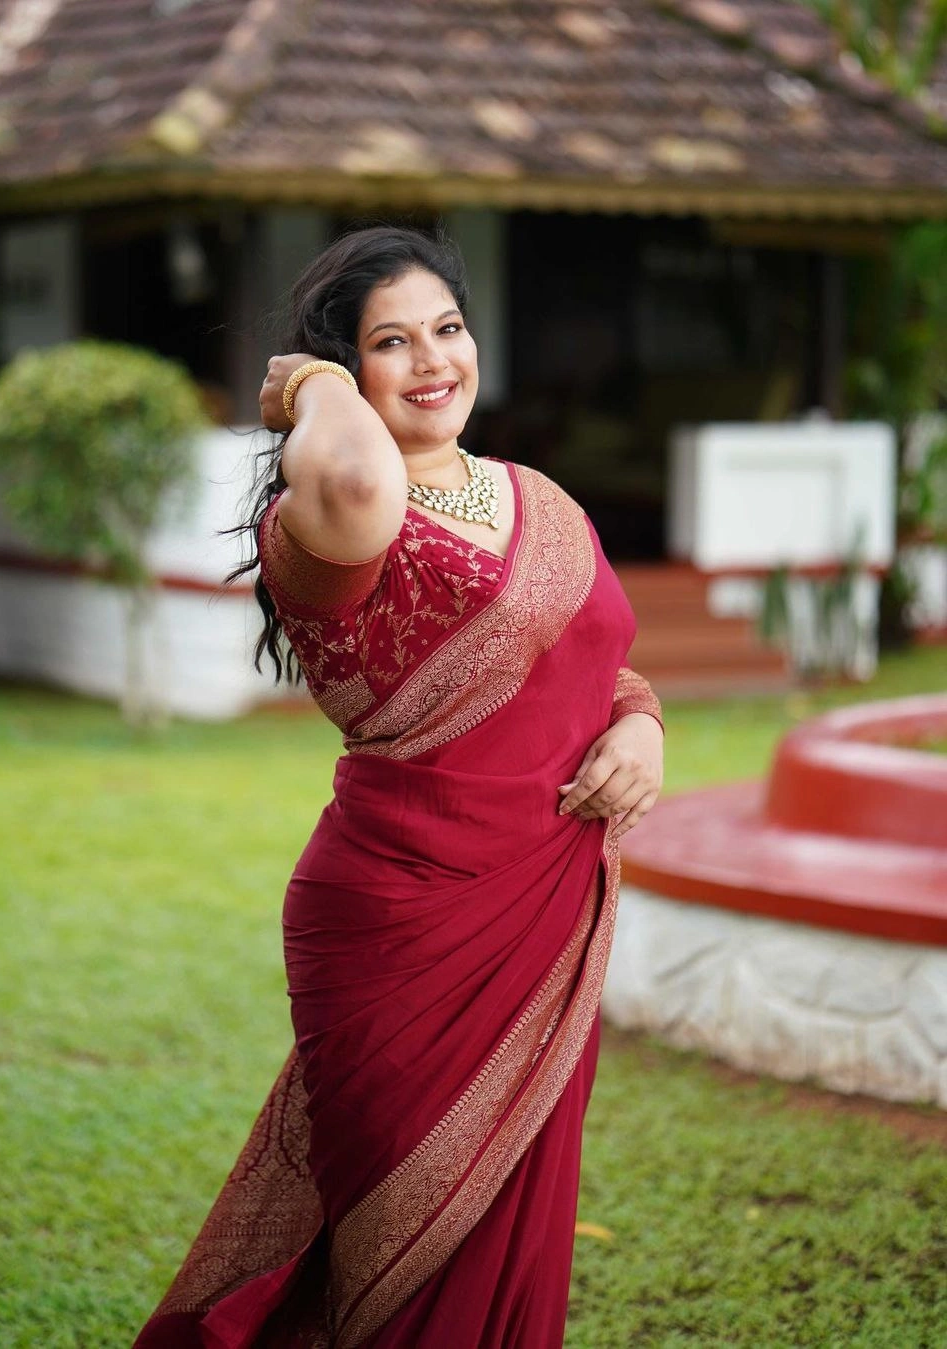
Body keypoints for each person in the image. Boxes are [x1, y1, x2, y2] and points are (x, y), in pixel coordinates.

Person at [134, 225, 664, 1348]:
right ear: (348, 370)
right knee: (396, 1257)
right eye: (390, 342)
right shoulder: (332, 517)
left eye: (449, 328)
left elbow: (601, 656)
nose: (434, 361)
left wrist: (642, 723)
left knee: (505, 1248)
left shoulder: (536, 498)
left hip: (542, 919)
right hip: (403, 927)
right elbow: (351, 464)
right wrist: (312, 387)